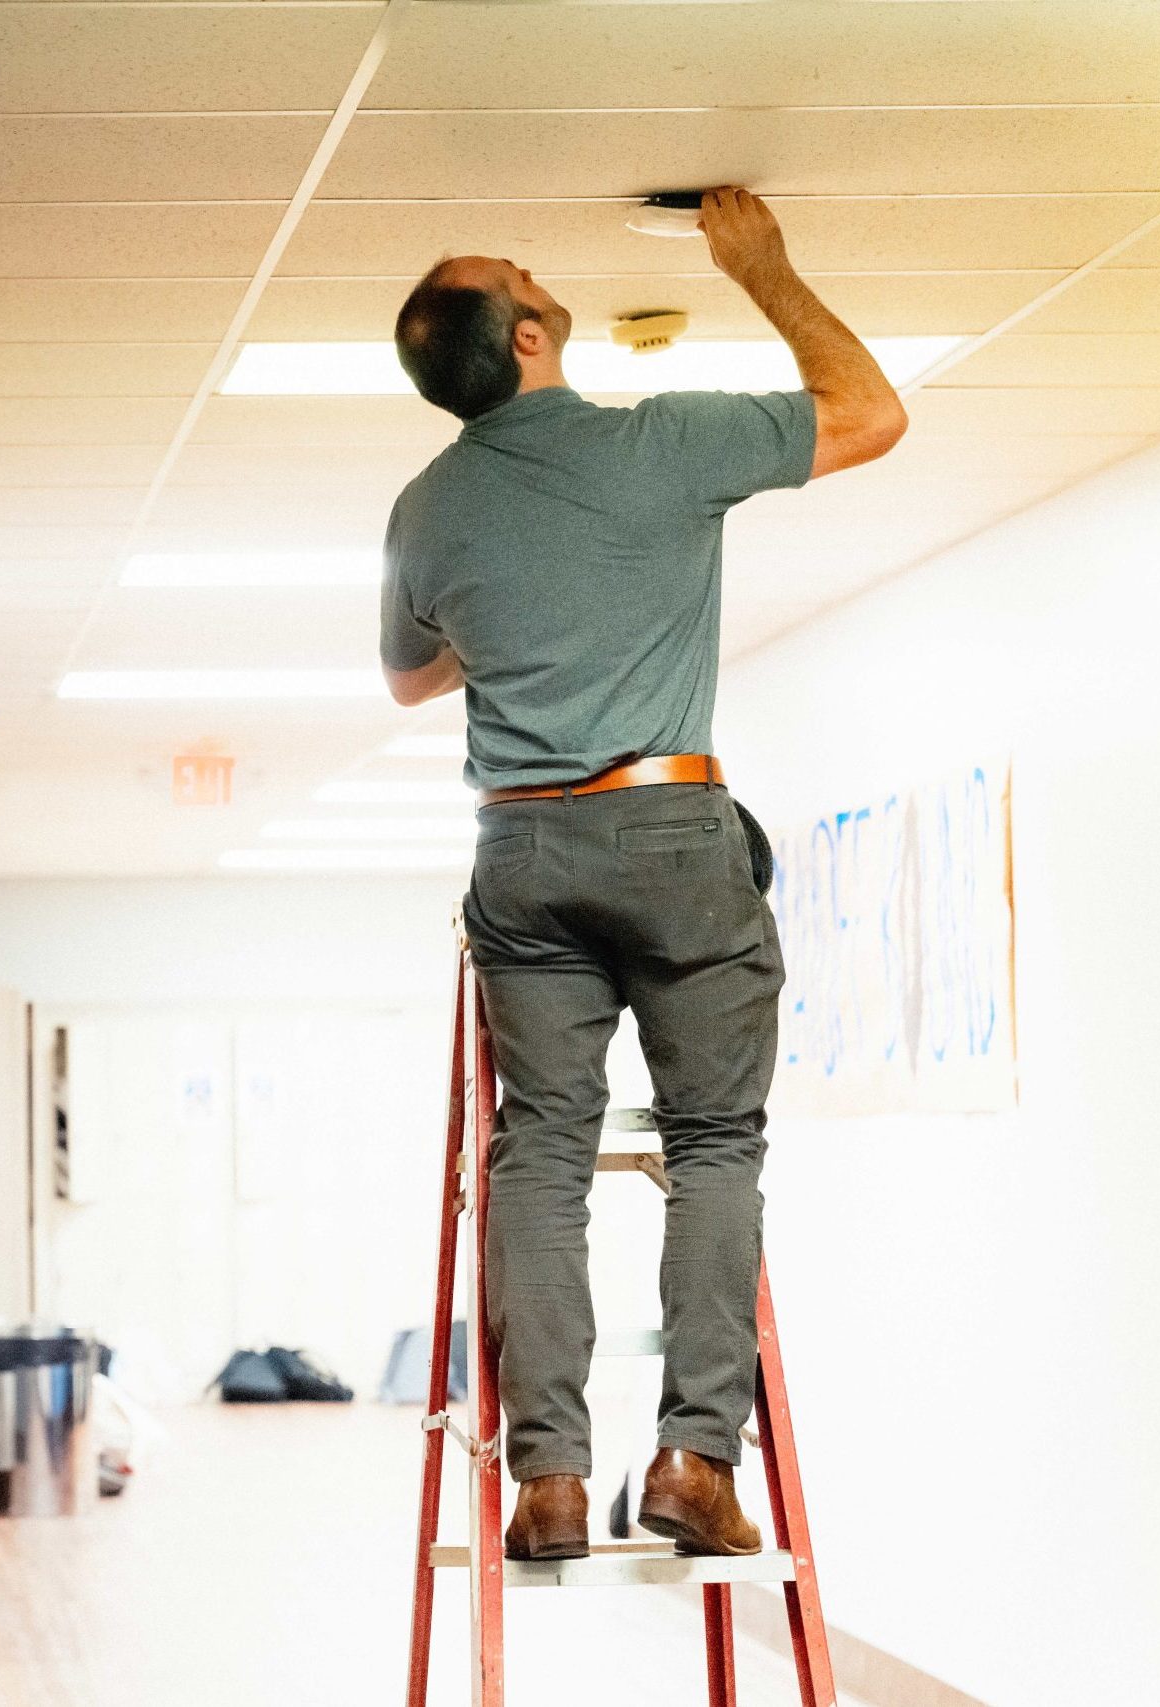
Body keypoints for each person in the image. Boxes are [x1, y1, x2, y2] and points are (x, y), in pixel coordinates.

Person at [380, 188, 906, 1560]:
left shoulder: (423, 509)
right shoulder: (665, 443)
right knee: (713, 1144)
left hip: (523, 845)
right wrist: (762, 268)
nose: (539, 268)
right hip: (670, 834)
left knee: (541, 1154)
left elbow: (407, 676)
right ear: (537, 333)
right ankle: (692, 1462)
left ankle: (547, 1481)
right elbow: (869, 413)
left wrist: (516, 623)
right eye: (528, 272)